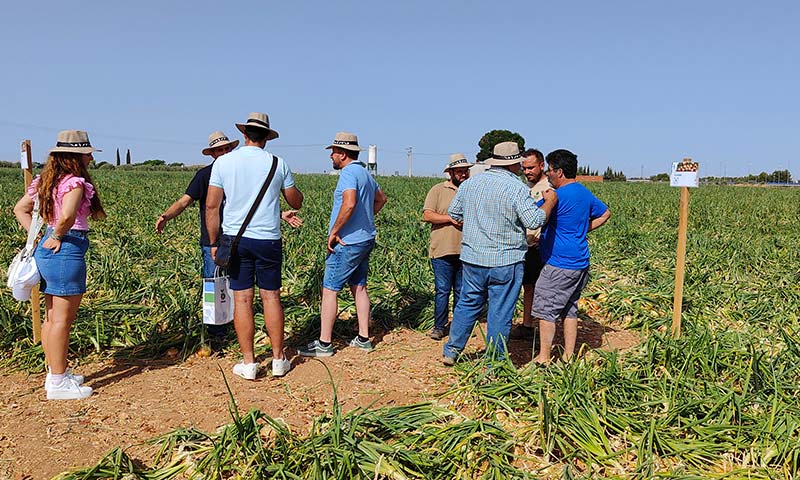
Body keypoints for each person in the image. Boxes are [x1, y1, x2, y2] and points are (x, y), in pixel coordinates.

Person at [156, 131, 302, 350]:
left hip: (236, 237)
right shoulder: (206, 174)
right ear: (212, 153)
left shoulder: (235, 168)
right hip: (219, 239)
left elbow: (251, 203)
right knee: (215, 285)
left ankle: (237, 337)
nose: (223, 152)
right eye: (219, 149)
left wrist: (280, 214)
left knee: (239, 292)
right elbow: (186, 202)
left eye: (226, 148)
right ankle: (217, 334)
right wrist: (167, 215)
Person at [206, 112, 303, 379]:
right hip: (269, 239)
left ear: (245, 135)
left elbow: (212, 206)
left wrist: (213, 242)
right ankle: (278, 359)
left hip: (235, 239)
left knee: (243, 299)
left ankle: (249, 363)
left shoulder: (224, 163)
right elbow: (296, 202)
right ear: (267, 138)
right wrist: (290, 188)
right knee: (271, 297)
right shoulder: (277, 163)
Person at [442, 142, 557, 365]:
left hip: (473, 258)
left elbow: (454, 214)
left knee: (467, 303)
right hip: (506, 260)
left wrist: (476, 227)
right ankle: (494, 362)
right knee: (500, 311)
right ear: (515, 164)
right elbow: (533, 220)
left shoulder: (471, 184)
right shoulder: (516, 188)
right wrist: (550, 202)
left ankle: (451, 350)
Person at [13, 130, 106, 400]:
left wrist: (39, 237)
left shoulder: (46, 181)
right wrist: (55, 236)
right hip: (67, 249)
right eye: (86, 153)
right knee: (62, 321)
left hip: (51, 251)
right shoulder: (74, 183)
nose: (90, 158)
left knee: (52, 317)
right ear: (74, 157)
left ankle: (57, 372)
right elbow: (66, 215)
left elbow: (20, 208)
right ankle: (58, 382)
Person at [298, 132, 387, 357]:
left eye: (334, 152)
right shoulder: (365, 173)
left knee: (329, 289)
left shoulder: (348, 173)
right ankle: (364, 338)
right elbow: (381, 199)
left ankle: (324, 343)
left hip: (347, 242)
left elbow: (349, 203)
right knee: (359, 287)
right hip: (365, 238)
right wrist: (365, 219)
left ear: (343, 154)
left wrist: (335, 232)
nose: (331, 156)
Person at [533, 149, 610, 365]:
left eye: (549, 170)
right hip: (580, 262)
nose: (547, 175)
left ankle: (544, 357)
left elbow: (535, 217)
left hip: (559, 264)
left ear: (559, 171)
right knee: (569, 308)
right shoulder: (584, 193)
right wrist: (581, 231)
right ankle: (568, 355)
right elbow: (605, 213)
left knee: (546, 309)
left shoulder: (556, 196)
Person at [422, 153, 473, 340]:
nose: (464, 174)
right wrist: (450, 219)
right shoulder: (437, 190)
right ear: (450, 172)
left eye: (466, 171)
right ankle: (439, 326)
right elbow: (427, 215)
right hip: (442, 249)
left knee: (462, 290)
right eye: (460, 171)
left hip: (466, 250)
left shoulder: (472, 189)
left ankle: (458, 328)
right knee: (442, 290)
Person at [510, 148, 550, 340]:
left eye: (531, 168)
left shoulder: (548, 187)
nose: (527, 172)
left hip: (541, 246)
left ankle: (542, 326)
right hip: (526, 246)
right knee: (528, 286)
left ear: (542, 165)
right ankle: (527, 324)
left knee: (541, 288)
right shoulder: (524, 187)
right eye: (524, 168)